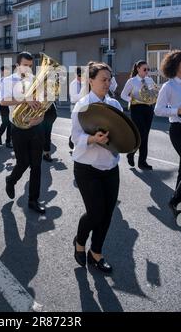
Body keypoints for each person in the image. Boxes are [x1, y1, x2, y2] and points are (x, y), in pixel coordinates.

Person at [71, 61, 123, 274]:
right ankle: (79, 242)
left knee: (108, 214)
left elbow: (122, 135)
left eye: (109, 79)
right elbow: (75, 137)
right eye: (103, 79)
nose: (107, 83)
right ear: (90, 81)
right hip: (86, 168)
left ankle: (96, 253)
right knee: (95, 213)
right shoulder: (82, 105)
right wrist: (93, 139)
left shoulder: (115, 105)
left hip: (110, 167)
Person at [0, 52, 46, 214]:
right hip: (18, 128)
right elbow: (3, 101)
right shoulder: (8, 80)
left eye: (30, 66)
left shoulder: (34, 80)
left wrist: (39, 118)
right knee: (23, 163)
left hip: (35, 127)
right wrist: (25, 99)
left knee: (37, 166)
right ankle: (11, 180)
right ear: (17, 64)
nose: (28, 68)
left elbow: (40, 104)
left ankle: (33, 200)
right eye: (25, 65)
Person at [155, 50, 181, 218]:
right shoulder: (168, 86)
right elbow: (158, 110)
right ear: (176, 66)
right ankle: (175, 201)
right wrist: (177, 110)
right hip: (178, 130)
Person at [121, 60, 155, 170]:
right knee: (142, 133)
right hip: (137, 108)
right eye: (145, 69)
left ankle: (142, 162)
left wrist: (154, 96)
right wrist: (132, 99)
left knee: (146, 135)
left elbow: (152, 93)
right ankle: (131, 153)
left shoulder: (149, 80)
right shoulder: (132, 81)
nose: (147, 71)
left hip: (148, 108)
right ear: (138, 69)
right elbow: (123, 95)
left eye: (148, 69)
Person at [0, 66, 12, 148]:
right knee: (5, 122)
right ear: (1, 72)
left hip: (12, 103)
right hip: (3, 104)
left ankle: (8, 141)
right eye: (5, 71)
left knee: (11, 123)